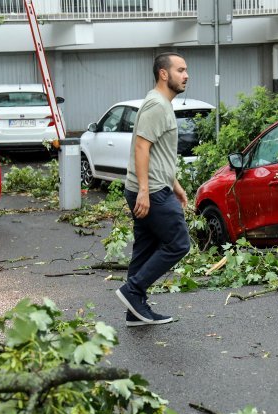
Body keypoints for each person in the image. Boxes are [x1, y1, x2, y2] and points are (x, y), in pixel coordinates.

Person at [115, 52, 191, 327]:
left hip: (157, 186)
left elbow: (159, 153)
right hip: (152, 192)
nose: (186, 75)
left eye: (186, 70)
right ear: (163, 73)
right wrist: (146, 191)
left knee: (145, 250)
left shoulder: (162, 104)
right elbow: (141, 147)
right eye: (180, 70)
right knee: (179, 243)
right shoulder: (157, 105)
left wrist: (176, 184)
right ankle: (132, 291)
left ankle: (134, 311)